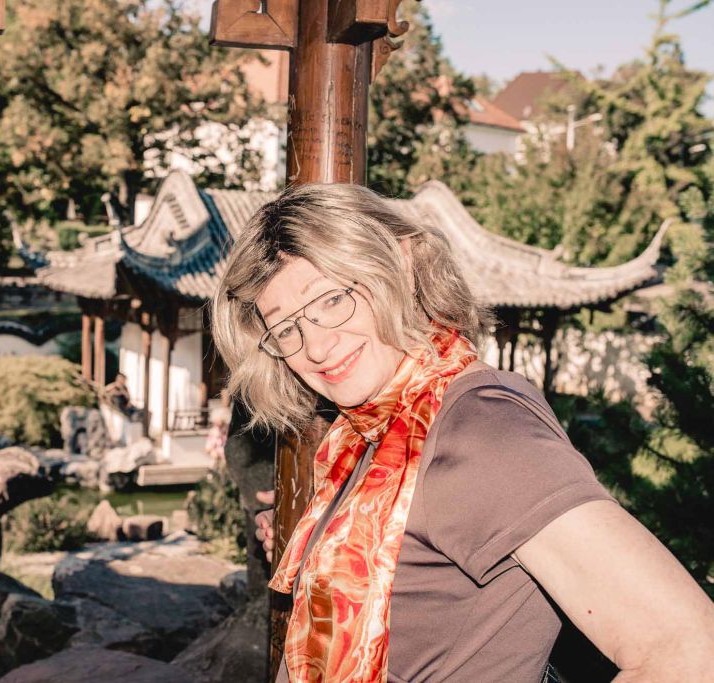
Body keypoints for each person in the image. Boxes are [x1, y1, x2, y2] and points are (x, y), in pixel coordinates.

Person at [209, 183, 714, 682]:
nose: (315, 347)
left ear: (403, 266)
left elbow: (688, 649)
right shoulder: (373, 431)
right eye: (287, 329)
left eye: (333, 299)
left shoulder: (482, 429)